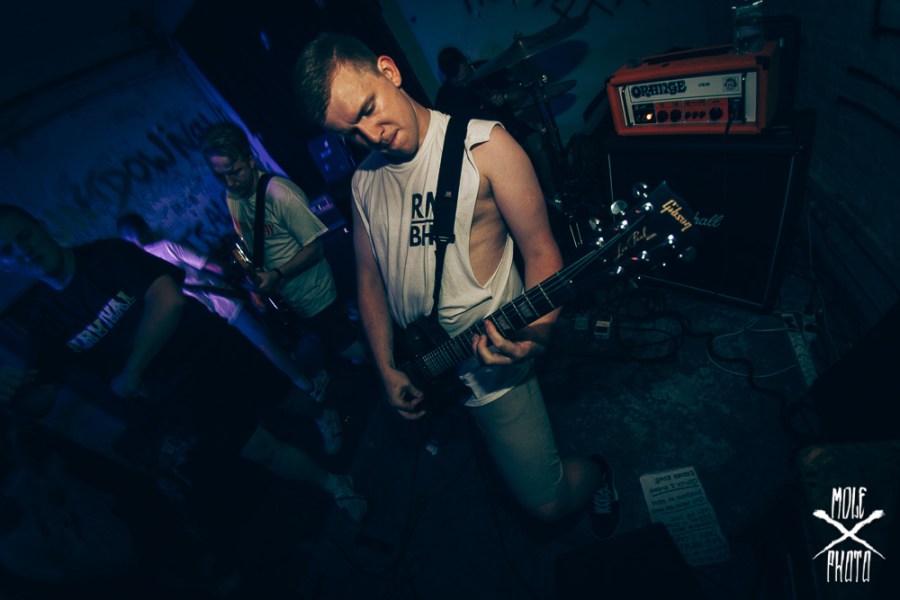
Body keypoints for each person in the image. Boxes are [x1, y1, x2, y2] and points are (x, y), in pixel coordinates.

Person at [294, 33, 619, 537]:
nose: (371, 135)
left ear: (389, 71)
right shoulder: (363, 182)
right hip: (425, 362)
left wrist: (537, 337)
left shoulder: (486, 146)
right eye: (350, 133)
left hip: (493, 370)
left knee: (546, 503)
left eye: (369, 109)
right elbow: (369, 281)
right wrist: (386, 368)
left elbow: (542, 253)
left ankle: (599, 472)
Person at [0, 205, 366, 521]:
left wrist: (131, 371)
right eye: (7, 250)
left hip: (212, 349)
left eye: (24, 236)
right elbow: (42, 400)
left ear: (41, 227)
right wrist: (14, 391)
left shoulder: (106, 255)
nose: (23, 251)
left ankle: (322, 416)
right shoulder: (43, 321)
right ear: (3, 263)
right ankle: (335, 485)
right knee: (262, 451)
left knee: (284, 397)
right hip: (178, 393)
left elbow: (168, 301)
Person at [198, 122, 369, 366]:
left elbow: (315, 249)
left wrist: (276, 275)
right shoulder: (231, 196)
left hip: (315, 294)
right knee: (330, 348)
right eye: (220, 175)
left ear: (250, 160)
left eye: (235, 172)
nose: (229, 182)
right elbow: (248, 243)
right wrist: (255, 285)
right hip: (286, 297)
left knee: (350, 348)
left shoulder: (279, 194)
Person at [116, 213, 328, 404]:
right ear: (146, 228)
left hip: (204, 322)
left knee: (248, 358)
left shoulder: (139, 273)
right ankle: (308, 386)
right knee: (265, 344)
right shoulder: (166, 247)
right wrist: (239, 272)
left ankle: (282, 395)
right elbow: (214, 267)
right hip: (224, 304)